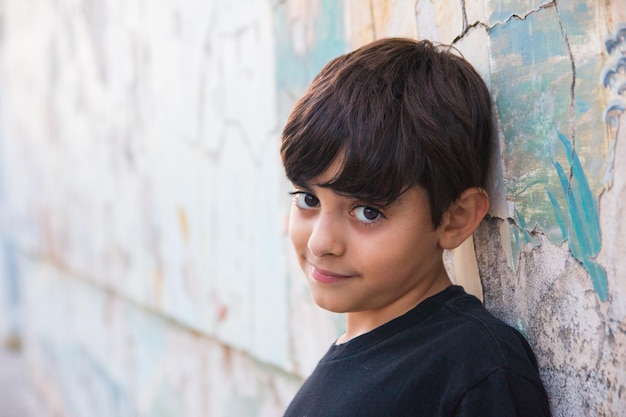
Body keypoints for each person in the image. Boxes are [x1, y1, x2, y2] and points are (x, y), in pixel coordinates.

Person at [279, 38, 551, 416]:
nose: (321, 242)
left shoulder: (474, 368)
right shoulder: (346, 360)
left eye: (368, 212)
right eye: (309, 200)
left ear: (455, 218)